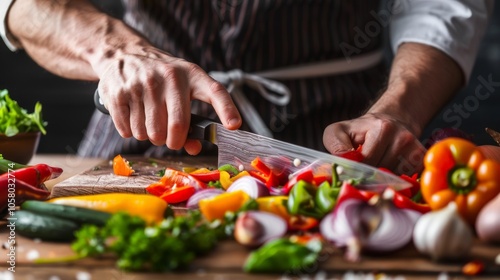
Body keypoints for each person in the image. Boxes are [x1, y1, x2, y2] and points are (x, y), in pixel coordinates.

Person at [0, 0, 493, 175]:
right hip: (138, 132)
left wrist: (400, 109)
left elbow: (443, 4)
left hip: (339, 143)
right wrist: (116, 54)